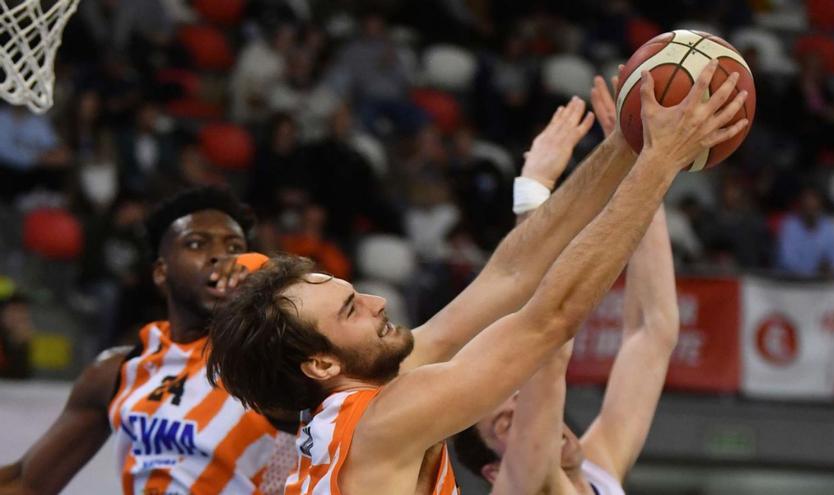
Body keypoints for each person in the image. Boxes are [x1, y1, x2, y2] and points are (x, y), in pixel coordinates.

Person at [206, 61, 748, 494]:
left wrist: (626, 145)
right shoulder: (382, 421)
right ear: (321, 363)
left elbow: (509, 275)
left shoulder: (367, 397)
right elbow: (549, 320)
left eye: (355, 294)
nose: (375, 301)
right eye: (351, 310)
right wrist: (658, 164)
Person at [452, 79, 679, 495]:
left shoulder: (598, 469)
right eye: (507, 423)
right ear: (493, 473)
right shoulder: (518, 488)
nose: (528, 410)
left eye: (518, 399)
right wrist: (533, 191)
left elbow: (652, 330)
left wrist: (643, 161)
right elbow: (548, 346)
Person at [0, 187, 294, 494]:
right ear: (160, 272)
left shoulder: (273, 357)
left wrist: (277, 280)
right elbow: (25, 482)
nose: (222, 257)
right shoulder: (117, 371)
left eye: (236, 247)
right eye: (196, 244)